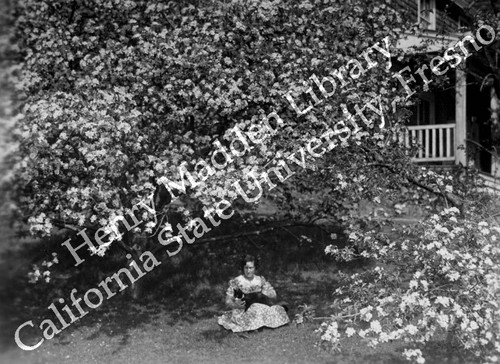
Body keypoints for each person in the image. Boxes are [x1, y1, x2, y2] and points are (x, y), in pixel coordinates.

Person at [217, 255, 290, 332]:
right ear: (243, 268)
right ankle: (257, 324)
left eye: (251, 268)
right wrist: (236, 304)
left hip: (260, 308)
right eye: (246, 268)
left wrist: (268, 293)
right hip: (243, 311)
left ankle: (259, 323)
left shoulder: (260, 280)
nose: (248, 271)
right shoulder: (237, 281)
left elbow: (274, 296)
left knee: (276, 309)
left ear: (255, 268)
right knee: (256, 308)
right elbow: (228, 301)